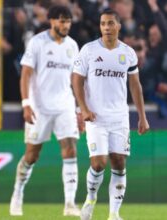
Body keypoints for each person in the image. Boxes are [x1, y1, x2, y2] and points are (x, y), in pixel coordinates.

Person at [71, 9, 149, 220]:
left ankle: (114, 214)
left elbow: (135, 86)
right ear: (100, 26)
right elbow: (76, 80)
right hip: (95, 117)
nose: (106, 27)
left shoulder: (128, 53)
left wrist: (142, 116)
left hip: (119, 117)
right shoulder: (88, 50)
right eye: (103, 23)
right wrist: (83, 109)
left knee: (119, 163)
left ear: (118, 26)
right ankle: (91, 197)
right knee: (98, 163)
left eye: (110, 23)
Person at [9, 5, 81, 217]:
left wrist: (78, 108)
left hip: (65, 105)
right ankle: (17, 193)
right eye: (61, 20)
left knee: (70, 150)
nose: (65, 24)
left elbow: (75, 79)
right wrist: (25, 103)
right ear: (51, 21)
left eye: (68, 21)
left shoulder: (73, 46)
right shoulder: (37, 42)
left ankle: (69, 204)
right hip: (39, 107)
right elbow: (25, 74)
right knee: (32, 155)